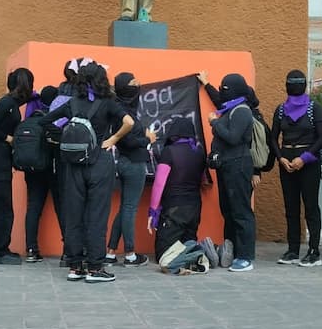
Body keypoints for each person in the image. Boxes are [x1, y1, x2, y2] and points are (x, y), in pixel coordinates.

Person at [40, 63, 135, 283]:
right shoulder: (109, 103)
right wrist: (112, 140)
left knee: (74, 214)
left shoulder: (72, 102)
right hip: (99, 164)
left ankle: (75, 266)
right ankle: (95, 268)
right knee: (97, 216)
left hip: (73, 165)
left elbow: (45, 121)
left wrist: (64, 137)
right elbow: (129, 122)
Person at [270, 70, 322, 267]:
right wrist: (280, 158)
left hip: (308, 163)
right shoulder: (280, 110)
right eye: (290, 83)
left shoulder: (314, 108)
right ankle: (293, 250)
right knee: (291, 208)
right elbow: (273, 137)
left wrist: (304, 158)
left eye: (296, 83)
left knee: (311, 207)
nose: (292, 87)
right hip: (287, 163)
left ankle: (314, 251)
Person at [0, 67, 35, 265]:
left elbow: (25, 99)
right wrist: (9, 138)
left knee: (2, 202)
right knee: (3, 202)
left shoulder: (12, 103)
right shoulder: (6, 103)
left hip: (1, 156)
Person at [105, 73, 157, 267]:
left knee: (125, 208)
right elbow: (127, 140)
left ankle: (111, 252)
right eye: (133, 83)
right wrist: (148, 139)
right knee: (129, 208)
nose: (138, 85)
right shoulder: (122, 113)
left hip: (126, 163)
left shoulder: (124, 108)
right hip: (133, 164)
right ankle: (130, 254)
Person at [207, 74, 256, 272]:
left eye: (224, 88)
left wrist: (214, 123)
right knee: (228, 211)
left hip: (238, 166)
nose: (222, 92)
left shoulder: (242, 111)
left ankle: (246, 256)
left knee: (241, 212)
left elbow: (233, 137)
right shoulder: (229, 109)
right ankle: (232, 250)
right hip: (227, 166)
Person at [197, 71, 275, 186]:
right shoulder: (231, 108)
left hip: (242, 168)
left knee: (239, 202)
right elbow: (219, 100)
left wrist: (256, 171)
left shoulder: (245, 112)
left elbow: (257, 142)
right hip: (229, 166)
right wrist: (206, 83)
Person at [147, 119, 207, 261]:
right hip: (194, 206)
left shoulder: (169, 151)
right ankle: (200, 253)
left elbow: (159, 184)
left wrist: (153, 212)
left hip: (174, 209)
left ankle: (199, 254)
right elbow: (203, 179)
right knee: (188, 242)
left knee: (163, 256)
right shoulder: (199, 151)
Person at [23, 86, 60, 263]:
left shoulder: (30, 117)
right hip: (53, 168)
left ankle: (31, 249)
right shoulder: (55, 118)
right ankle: (69, 250)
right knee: (63, 208)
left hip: (33, 169)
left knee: (33, 208)